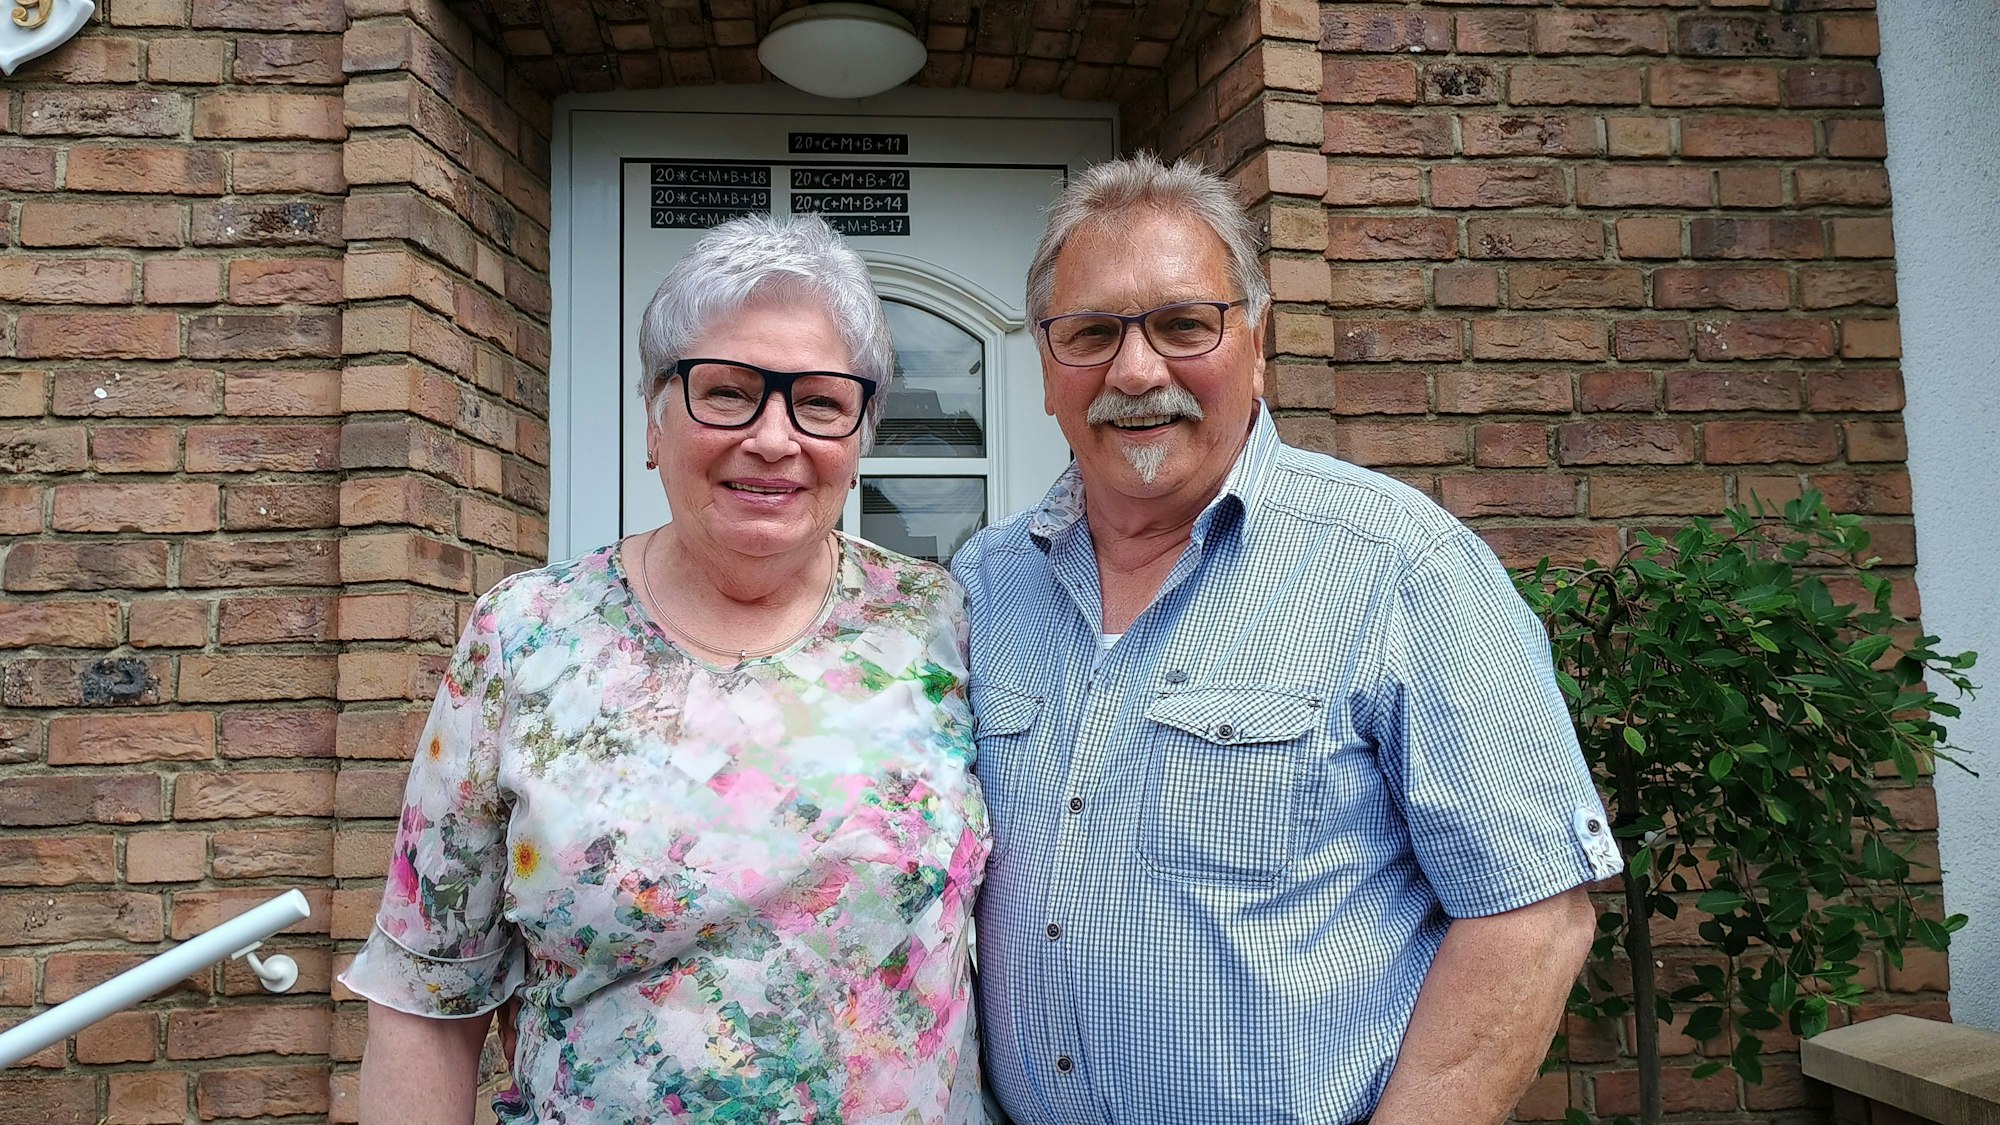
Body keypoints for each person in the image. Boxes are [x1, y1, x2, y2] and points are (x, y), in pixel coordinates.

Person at [952, 154, 1623, 1125]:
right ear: (1047, 373)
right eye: (1091, 332)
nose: (1135, 371)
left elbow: (1533, 911)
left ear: (1256, 343)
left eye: (1183, 324)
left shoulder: (1403, 568)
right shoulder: (983, 586)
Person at [342, 214, 991, 1124]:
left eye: (820, 401)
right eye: (726, 392)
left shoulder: (944, 628)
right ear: (655, 418)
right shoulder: (526, 636)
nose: (773, 438)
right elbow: (428, 997)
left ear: (860, 435)